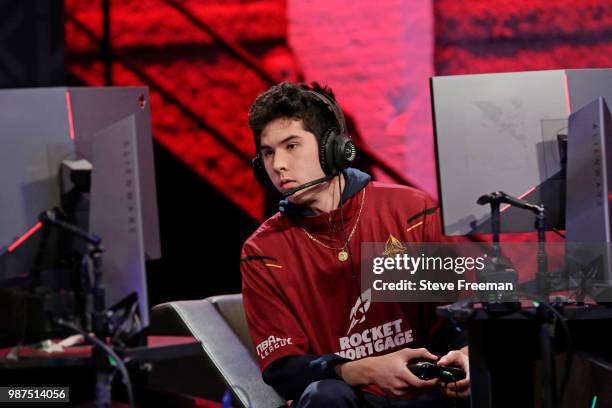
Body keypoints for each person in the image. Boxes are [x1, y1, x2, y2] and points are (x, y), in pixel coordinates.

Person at [240, 82, 469, 407]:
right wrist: (365, 371)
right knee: (325, 396)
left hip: (429, 392)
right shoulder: (262, 251)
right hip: (346, 398)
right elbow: (285, 370)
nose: (278, 165)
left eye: (291, 146)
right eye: (268, 152)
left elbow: (457, 317)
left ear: (333, 149)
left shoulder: (410, 212)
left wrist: (466, 354)